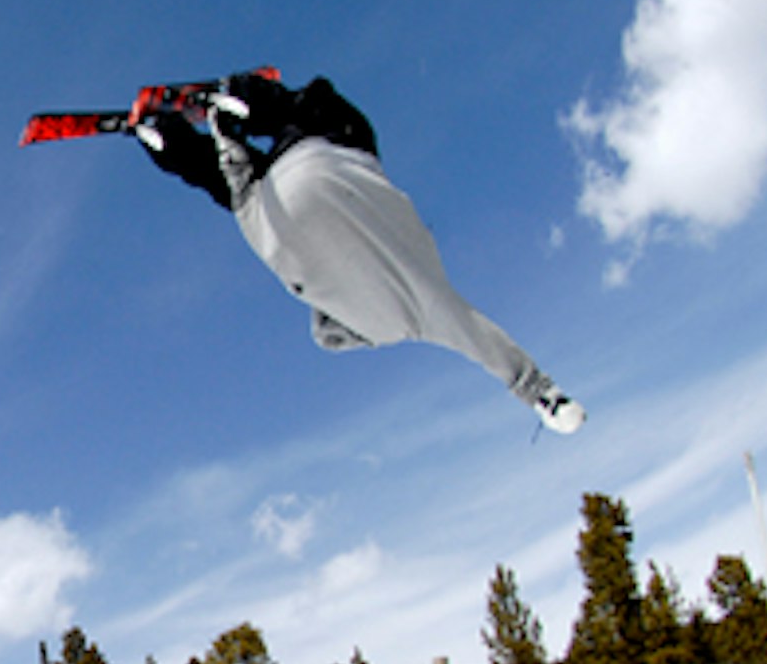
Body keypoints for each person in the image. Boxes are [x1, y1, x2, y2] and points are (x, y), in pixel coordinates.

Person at [133, 69, 584, 434]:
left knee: (315, 106)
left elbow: (489, 344)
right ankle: (170, 140)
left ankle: (252, 103)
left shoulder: (417, 313)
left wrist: (546, 394)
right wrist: (544, 399)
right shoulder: (392, 320)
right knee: (219, 180)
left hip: (329, 153)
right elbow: (486, 345)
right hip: (270, 210)